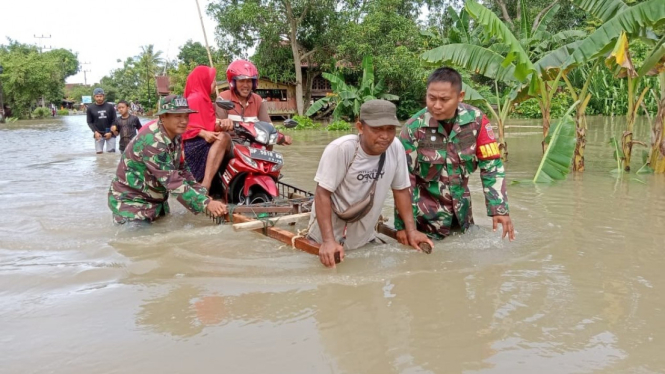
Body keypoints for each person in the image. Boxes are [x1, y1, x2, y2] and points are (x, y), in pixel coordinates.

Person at [394, 67, 515, 243]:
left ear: (460, 97)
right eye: (431, 98)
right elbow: (403, 181)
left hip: (462, 220)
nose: (436, 105)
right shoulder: (413, 129)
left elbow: (491, 166)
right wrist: (404, 227)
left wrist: (500, 209)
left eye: (444, 99)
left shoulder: (477, 121)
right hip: (424, 225)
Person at [307, 100, 433, 268]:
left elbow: (401, 190)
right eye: (377, 129)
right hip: (326, 240)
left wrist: (411, 231)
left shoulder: (395, 147)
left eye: (390, 129)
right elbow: (322, 193)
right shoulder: (342, 149)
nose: (385, 136)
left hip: (365, 238)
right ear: (360, 127)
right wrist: (328, 241)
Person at [108, 95, 227, 223]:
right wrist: (206, 204)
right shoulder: (153, 141)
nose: (184, 121)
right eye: (178, 116)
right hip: (131, 205)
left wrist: (204, 196)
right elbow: (173, 182)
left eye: (186, 116)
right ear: (163, 117)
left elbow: (182, 170)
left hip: (154, 202)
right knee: (141, 241)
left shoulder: (175, 135)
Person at [215, 60, 292, 146]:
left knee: (269, 142)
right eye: (241, 81)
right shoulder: (223, 97)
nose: (246, 85)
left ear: (254, 83)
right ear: (233, 82)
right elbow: (216, 126)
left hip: (254, 145)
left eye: (249, 81)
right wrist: (224, 123)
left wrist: (281, 136)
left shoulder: (257, 99)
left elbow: (268, 126)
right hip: (231, 145)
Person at [182, 66, 234, 191]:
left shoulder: (205, 100)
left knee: (224, 136)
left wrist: (221, 125)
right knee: (225, 137)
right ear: (204, 80)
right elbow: (182, 127)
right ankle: (206, 184)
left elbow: (209, 125)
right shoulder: (195, 99)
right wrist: (202, 133)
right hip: (193, 146)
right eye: (213, 80)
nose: (215, 83)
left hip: (201, 143)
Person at [86, 88, 117, 154]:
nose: (99, 98)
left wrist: (111, 132)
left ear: (104, 96)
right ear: (94, 97)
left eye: (100, 96)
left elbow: (115, 120)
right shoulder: (90, 108)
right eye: (97, 96)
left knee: (111, 154)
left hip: (110, 133)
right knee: (99, 154)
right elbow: (89, 122)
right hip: (98, 134)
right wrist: (95, 132)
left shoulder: (110, 107)